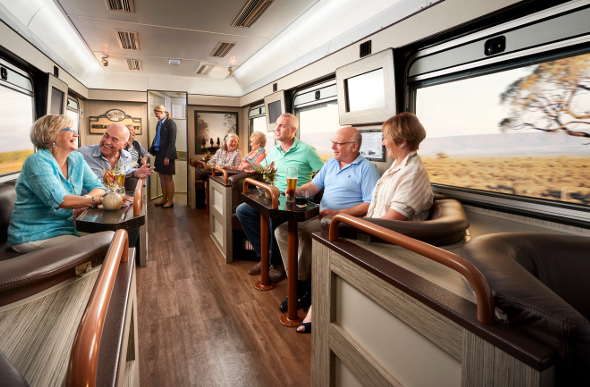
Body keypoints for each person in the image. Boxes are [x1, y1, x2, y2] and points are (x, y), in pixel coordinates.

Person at [296, 113, 434, 333]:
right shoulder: (397, 168)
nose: (382, 142)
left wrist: (346, 220)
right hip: (371, 230)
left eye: (386, 137)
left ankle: (316, 309)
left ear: (402, 141)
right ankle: (313, 304)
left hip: (384, 242)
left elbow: (392, 223)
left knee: (326, 245)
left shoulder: (412, 172)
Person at [274, 126, 380, 314]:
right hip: (321, 215)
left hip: (342, 222)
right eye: (333, 143)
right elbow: (314, 185)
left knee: (307, 234)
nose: (333, 148)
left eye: (338, 144)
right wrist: (298, 191)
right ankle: (297, 281)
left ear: (354, 146)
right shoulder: (331, 163)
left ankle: (300, 287)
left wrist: (338, 212)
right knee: (281, 231)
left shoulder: (367, 169)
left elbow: (368, 204)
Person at [236, 113, 325, 282]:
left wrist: (309, 191)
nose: (276, 129)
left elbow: (325, 173)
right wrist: (251, 166)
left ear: (293, 130)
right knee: (243, 211)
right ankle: (265, 256)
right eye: (276, 125)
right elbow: (261, 167)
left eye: (281, 126)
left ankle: (277, 265)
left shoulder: (307, 150)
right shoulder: (274, 151)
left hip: (293, 200)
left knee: (274, 216)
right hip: (272, 196)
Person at [7, 115, 106, 252]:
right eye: (70, 130)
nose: (76, 134)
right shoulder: (37, 161)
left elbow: (98, 187)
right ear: (51, 135)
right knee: (99, 247)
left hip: (66, 228)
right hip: (34, 236)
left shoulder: (77, 158)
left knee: (110, 238)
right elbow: (60, 201)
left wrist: (85, 201)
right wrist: (99, 202)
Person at [77, 123, 155, 182]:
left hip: (117, 200)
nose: (107, 142)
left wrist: (135, 172)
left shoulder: (126, 157)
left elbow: (124, 169)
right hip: (91, 202)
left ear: (124, 145)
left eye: (114, 140)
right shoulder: (81, 154)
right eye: (106, 136)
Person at [150, 105, 178, 208]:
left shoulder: (171, 124)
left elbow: (172, 142)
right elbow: (156, 138)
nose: (156, 116)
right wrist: (150, 151)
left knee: (168, 178)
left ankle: (170, 201)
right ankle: (164, 199)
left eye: (157, 114)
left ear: (162, 113)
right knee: (161, 177)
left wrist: (167, 157)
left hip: (167, 155)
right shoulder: (159, 124)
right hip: (159, 153)